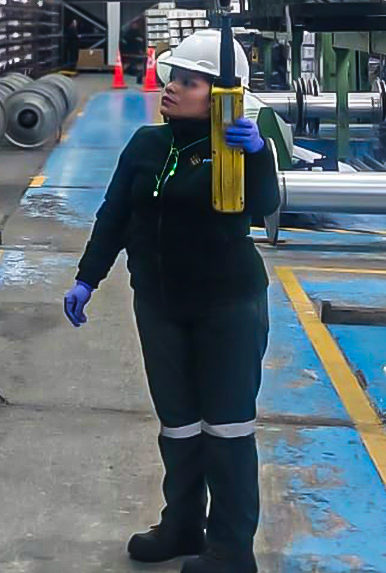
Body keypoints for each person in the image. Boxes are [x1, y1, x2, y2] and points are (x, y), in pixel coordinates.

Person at [63, 30, 281, 573]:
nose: (172, 88)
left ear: (223, 94)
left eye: (189, 81)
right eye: (173, 78)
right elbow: (115, 214)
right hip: (158, 304)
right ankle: (182, 525)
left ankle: (231, 550)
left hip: (227, 306)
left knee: (227, 428)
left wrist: (258, 156)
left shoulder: (235, 152)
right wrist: (87, 278)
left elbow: (265, 207)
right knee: (178, 424)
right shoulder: (145, 144)